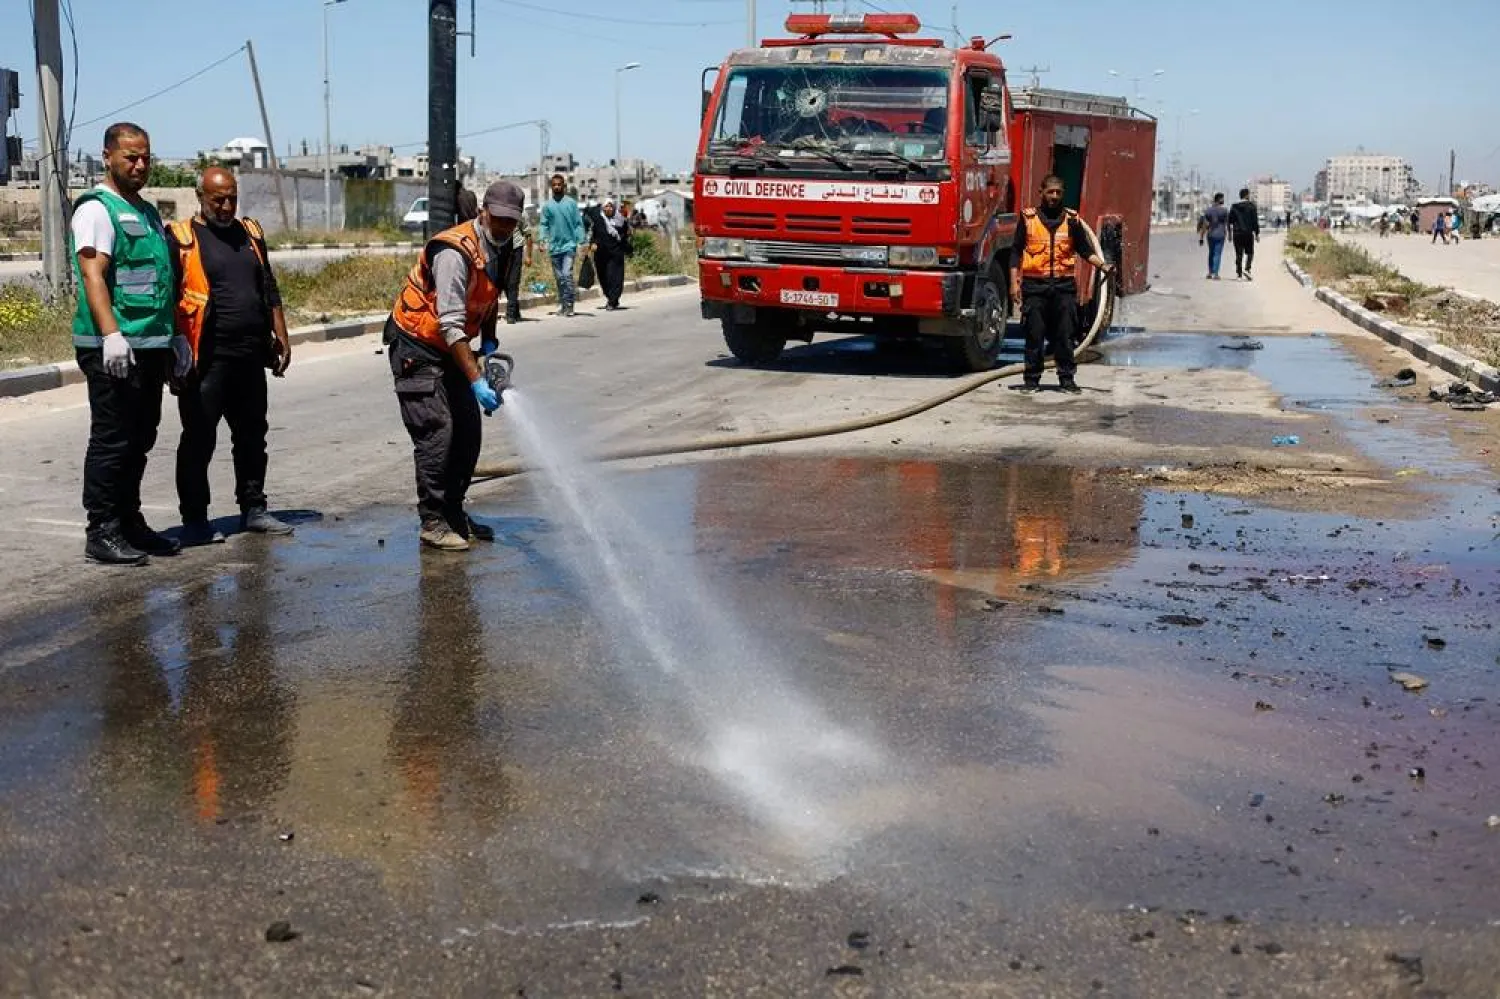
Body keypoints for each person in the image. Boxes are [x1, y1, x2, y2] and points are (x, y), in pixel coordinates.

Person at [71, 122, 192, 565]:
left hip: (150, 344)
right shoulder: (97, 210)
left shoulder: (145, 211)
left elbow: (161, 281)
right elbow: (93, 275)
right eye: (130, 157)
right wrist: (111, 335)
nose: (140, 165)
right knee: (112, 439)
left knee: (141, 437)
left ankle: (129, 521)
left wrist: (175, 334)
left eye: (145, 157)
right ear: (107, 157)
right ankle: (101, 529)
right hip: (113, 346)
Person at [385, 180, 523, 551]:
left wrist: (489, 344)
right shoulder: (454, 251)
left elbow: (490, 297)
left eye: (512, 222)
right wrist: (476, 379)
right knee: (437, 432)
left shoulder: (507, 246)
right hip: (417, 345)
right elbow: (449, 323)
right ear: (483, 213)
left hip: (451, 347)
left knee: (467, 432)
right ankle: (433, 521)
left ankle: (454, 513)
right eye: (499, 220)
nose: (505, 228)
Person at [167, 167, 295, 546]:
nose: (225, 206)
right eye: (217, 200)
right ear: (200, 197)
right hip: (207, 360)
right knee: (199, 439)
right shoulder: (182, 238)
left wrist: (281, 333)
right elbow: (170, 295)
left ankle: (253, 508)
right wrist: (174, 349)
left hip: (251, 357)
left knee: (253, 436)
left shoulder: (250, 234)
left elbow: (267, 285)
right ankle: (195, 520)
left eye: (231, 199)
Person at [1010, 174, 1113, 395]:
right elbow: (1015, 252)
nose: (1054, 196)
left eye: (1058, 192)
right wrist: (1013, 284)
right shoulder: (1028, 219)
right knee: (1034, 335)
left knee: (1065, 335)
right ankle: (1031, 380)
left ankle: (1066, 379)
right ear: (1041, 193)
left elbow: (1085, 251)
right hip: (1035, 287)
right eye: (1050, 192)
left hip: (1064, 288)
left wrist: (1104, 267)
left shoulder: (1073, 221)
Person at [539, 174, 585, 317]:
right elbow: (544, 225)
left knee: (567, 275)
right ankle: (563, 304)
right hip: (554, 247)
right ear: (551, 187)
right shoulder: (548, 206)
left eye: (559, 184)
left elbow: (578, 224)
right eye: (554, 185)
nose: (557, 187)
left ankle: (570, 304)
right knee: (559, 278)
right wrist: (542, 240)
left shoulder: (571, 203)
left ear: (564, 186)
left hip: (569, 246)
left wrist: (582, 241)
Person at [586, 198, 633, 310]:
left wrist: (626, 234)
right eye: (606, 206)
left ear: (614, 207)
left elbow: (626, 234)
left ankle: (613, 300)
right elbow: (594, 234)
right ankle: (611, 298)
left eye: (610, 206)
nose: (608, 208)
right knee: (603, 277)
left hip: (616, 253)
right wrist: (592, 243)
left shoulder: (620, 220)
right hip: (601, 253)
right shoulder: (598, 219)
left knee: (615, 277)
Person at [504, 211, 532, 324]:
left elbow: (528, 234)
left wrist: (528, 256)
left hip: (516, 248)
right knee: (504, 282)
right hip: (500, 249)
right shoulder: (496, 210)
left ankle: (510, 314)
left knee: (513, 282)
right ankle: (515, 311)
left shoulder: (520, 213)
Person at [1228, 188, 1260, 280]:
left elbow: (1230, 220)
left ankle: (1239, 274)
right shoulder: (1252, 206)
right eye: (1249, 194)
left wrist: (1230, 233)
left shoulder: (1234, 206)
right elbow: (1255, 221)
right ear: (1246, 195)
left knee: (1238, 254)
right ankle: (1247, 269)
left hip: (1237, 233)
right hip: (1248, 233)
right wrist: (1257, 233)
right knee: (1250, 252)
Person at [1198, 193, 1230, 279]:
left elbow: (1204, 225)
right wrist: (1230, 234)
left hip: (1210, 235)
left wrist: (1201, 238)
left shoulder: (1208, 210)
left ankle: (1210, 272)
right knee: (1217, 254)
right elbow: (1227, 224)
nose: (1223, 200)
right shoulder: (1224, 211)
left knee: (1211, 253)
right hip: (1220, 235)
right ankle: (1215, 273)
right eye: (1222, 199)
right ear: (1219, 199)